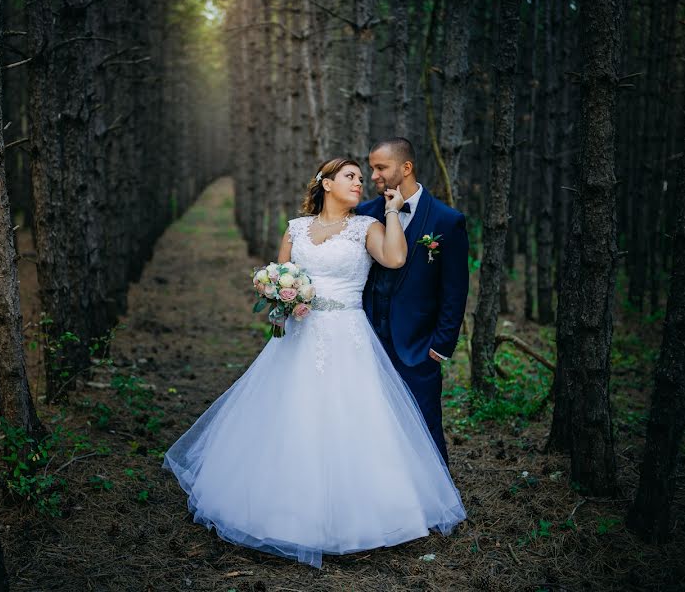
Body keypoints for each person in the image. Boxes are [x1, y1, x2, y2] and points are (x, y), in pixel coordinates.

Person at [163, 158, 466, 569]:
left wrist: (392, 211)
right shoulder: (296, 228)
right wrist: (281, 298)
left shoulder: (367, 227)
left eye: (362, 178)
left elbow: (395, 259)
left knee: (352, 422)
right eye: (350, 176)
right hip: (298, 339)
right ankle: (284, 514)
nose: (359, 183)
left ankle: (358, 518)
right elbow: (280, 275)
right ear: (326, 183)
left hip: (349, 337)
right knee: (291, 418)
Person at [356, 138, 469, 464]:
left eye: (381, 168)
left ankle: (438, 500)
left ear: (406, 168)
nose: (373, 176)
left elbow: (455, 289)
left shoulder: (447, 221)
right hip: (366, 339)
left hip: (418, 344)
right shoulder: (365, 214)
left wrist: (441, 343)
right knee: (369, 419)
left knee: (424, 422)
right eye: (372, 167)